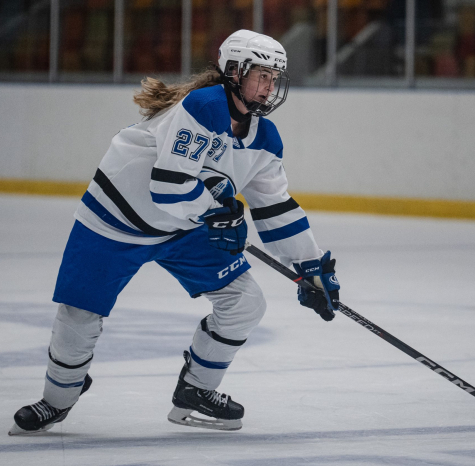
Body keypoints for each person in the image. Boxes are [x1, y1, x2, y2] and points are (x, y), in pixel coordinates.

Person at [9, 29, 340, 434]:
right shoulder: (203, 106)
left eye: (275, 78)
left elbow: (277, 207)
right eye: (262, 75)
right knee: (80, 312)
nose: (270, 87)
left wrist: (309, 265)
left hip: (182, 226)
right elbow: (168, 187)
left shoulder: (265, 138)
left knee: (245, 302)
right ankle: (58, 397)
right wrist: (219, 214)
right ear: (233, 70)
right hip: (116, 220)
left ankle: (196, 391)